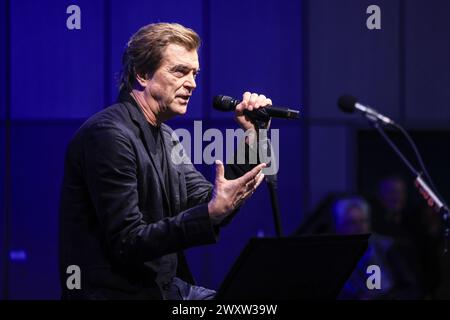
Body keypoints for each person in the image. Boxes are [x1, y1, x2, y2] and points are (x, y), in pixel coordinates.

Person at [59, 22, 271, 300]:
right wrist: (211, 213)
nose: (192, 83)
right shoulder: (109, 135)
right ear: (142, 73)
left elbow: (206, 200)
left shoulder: (166, 136)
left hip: (165, 289)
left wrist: (254, 138)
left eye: (195, 73)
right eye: (180, 71)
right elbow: (128, 240)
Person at [332, 196, 420, 299]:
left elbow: (410, 287)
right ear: (339, 226)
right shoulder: (334, 256)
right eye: (352, 222)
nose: (359, 227)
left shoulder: (385, 246)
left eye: (363, 221)